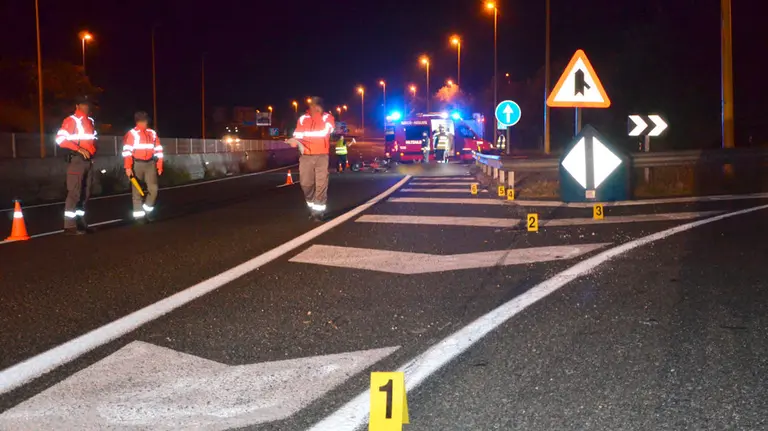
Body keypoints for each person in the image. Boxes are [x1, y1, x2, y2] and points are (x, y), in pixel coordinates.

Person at [286, 97, 335, 221]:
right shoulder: (303, 119)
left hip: (322, 156)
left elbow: (324, 132)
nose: (312, 107)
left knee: (321, 184)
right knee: (306, 183)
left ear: (320, 106)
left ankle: (318, 213)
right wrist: (294, 142)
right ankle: (312, 204)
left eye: (315, 105)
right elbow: (297, 135)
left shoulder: (327, 118)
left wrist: (317, 116)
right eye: (311, 105)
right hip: (306, 156)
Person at [55, 96, 98, 235]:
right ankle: (69, 226)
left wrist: (92, 156)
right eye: (84, 105)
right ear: (77, 105)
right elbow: (60, 139)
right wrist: (78, 149)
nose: (87, 107)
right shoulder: (71, 120)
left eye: (88, 105)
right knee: (74, 193)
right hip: (76, 160)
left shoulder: (90, 121)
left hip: (88, 161)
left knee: (85, 193)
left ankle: (81, 223)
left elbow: (93, 141)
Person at [122, 111, 163, 222]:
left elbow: (159, 150)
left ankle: (147, 211)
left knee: (153, 189)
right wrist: (128, 167)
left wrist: (159, 165)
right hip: (136, 164)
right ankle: (139, 217)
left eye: (145, 121)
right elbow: (127, 151)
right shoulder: (132, 134)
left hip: (150, 163)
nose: (144, 123)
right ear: (137, 122)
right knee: (137, 191)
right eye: (141, 121)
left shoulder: (152, 133)